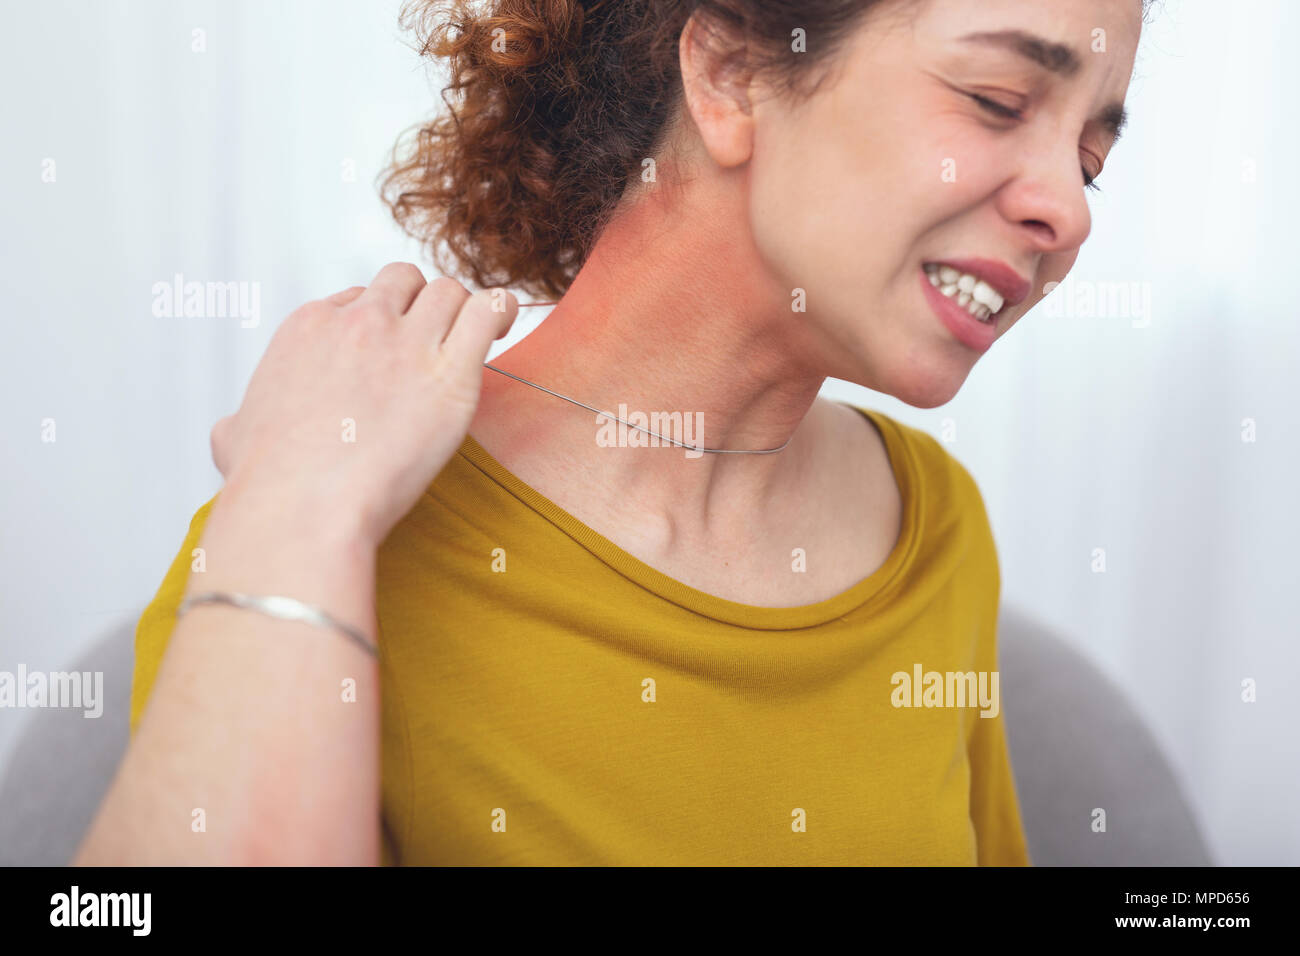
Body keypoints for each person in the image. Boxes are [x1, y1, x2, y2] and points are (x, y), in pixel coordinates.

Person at [76, 0, 1145, 865]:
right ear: (731, 75)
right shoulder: (311, 532)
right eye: (997, 99)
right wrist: (296, 510)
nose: (1072, 209)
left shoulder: (933, 526)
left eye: (1091, 156)